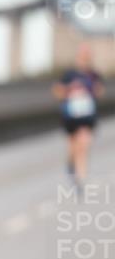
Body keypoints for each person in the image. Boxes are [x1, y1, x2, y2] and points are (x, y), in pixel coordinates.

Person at [53, 42, 105, 196]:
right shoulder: (69, 74)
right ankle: (71, 166)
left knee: (84, 144)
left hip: (87, 115)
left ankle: (81, 179)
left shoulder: (94, 74)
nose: (85, 58)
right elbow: (57, 91)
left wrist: (91, 90)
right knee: (73, 146)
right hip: (71, 115)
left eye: (87, 55)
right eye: (83, 55)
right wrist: (71, 89)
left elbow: (99, 92)